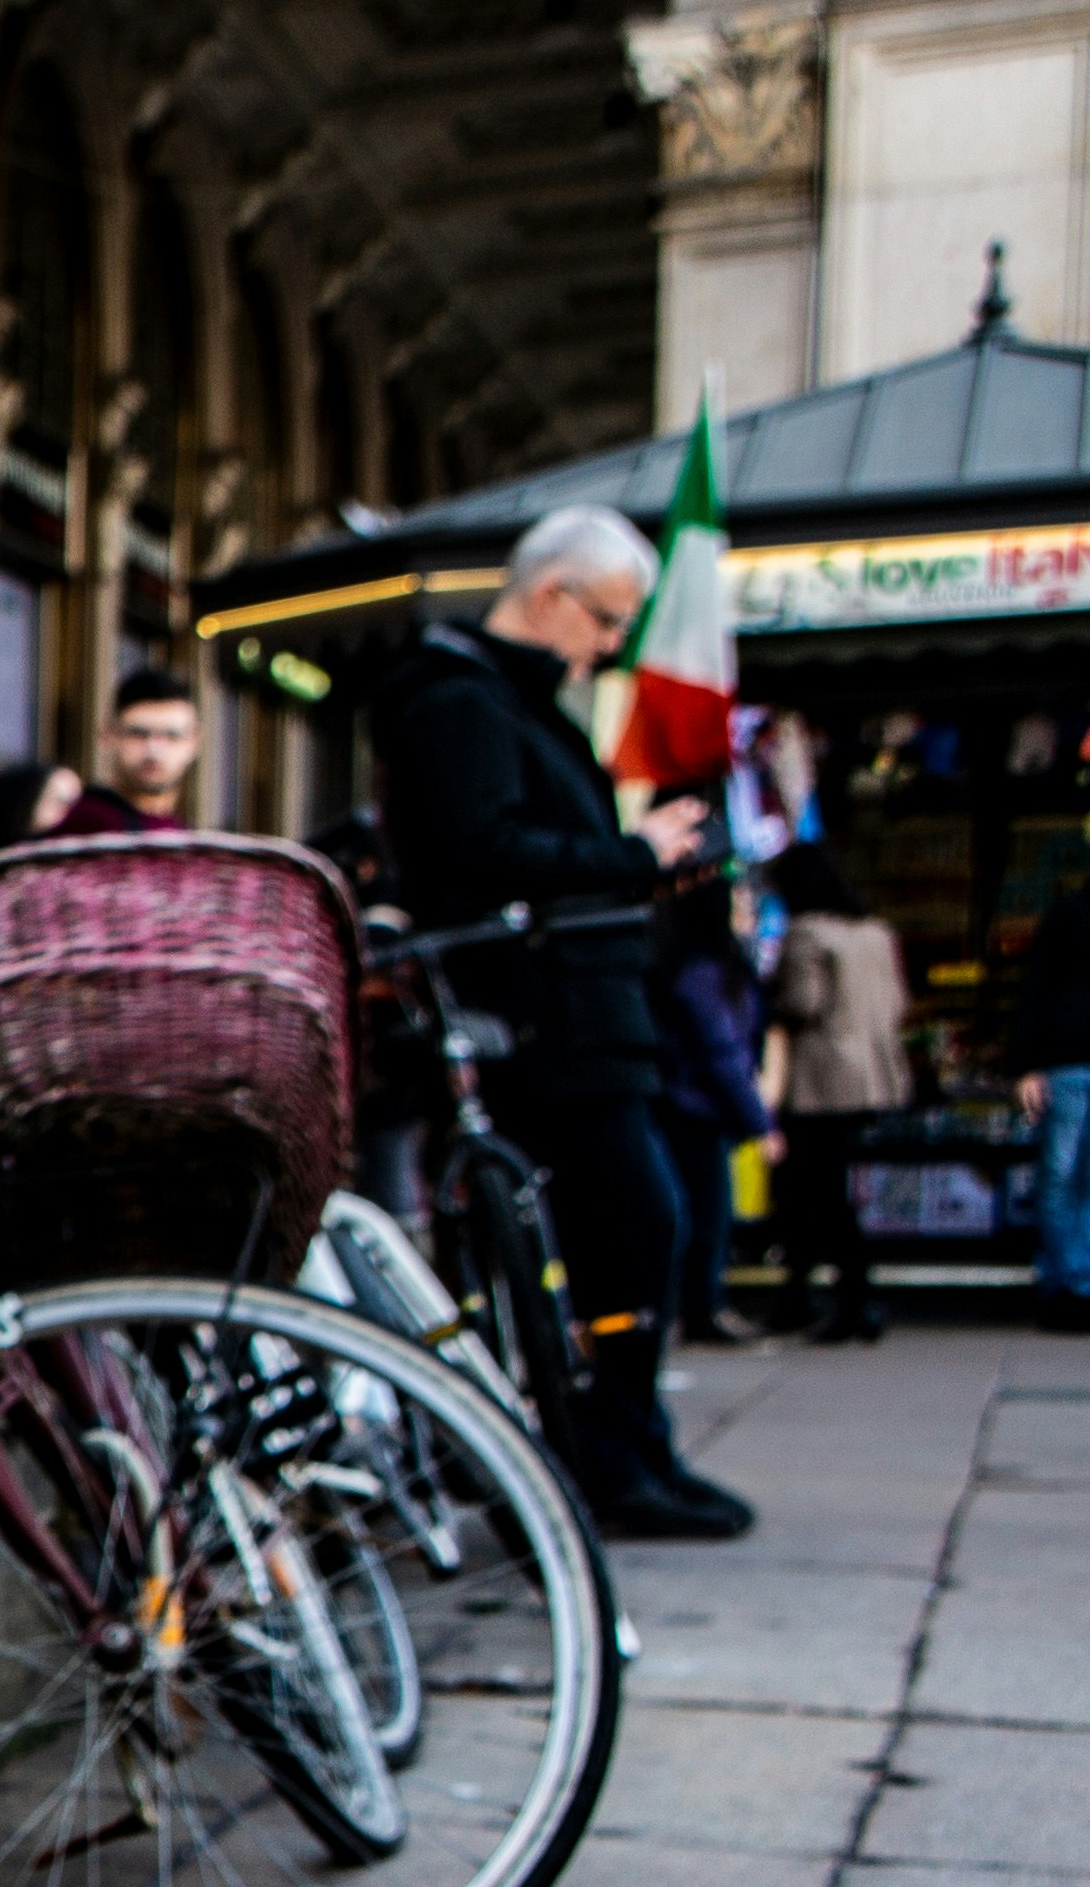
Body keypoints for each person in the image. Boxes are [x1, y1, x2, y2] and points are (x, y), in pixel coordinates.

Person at [363, 501, 739, 1539]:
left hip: (581, 1011)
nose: (611, 644)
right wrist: (635, 855)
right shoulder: (461, 702)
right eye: (606, 619)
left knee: (634, 1228)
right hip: (542, 1020)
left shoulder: (507, 702)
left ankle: (631, 1445)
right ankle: (608, 1455)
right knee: (629, 1222)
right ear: (550, 596)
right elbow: (480, 854)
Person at [764, 844, 910, 1345]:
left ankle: (849, 1299)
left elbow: (802, 1002)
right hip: (870, 1076)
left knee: (814, 1192)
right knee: (824, 1188)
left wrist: (770, 994)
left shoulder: (807, 934)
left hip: (820, 1081)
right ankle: (806, 1296)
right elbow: (897, 1003)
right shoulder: (874, 933)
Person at [652, 868, 774, 1346]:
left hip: (693, 1105)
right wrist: (759, 1122)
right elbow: (721, 1052)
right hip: (694, 1108)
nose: (749, 918)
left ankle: (692, 1307)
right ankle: (698, 1307)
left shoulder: (699, 968)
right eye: (740, 908)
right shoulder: (705, 974)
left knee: (697, 1212)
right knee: (705, 1213)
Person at [1013, 889, 1090, 1332]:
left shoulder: (1066, 911)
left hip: (1065, 1061)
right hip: (1065, 1061)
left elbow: (1036, 987)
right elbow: (1038, 985)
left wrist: (1027, 1063)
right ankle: (1070, 1282)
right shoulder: (1067, 913)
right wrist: (1027, 1064)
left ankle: (1067, 1282)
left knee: (1061, 1177)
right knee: (1065, 1177)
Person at [95, 665, 202, 827]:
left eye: (172, 736)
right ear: (108, 736)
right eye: (139, 734)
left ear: (194, 741)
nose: (154, 751)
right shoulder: (85, 826)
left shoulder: (178, 832)